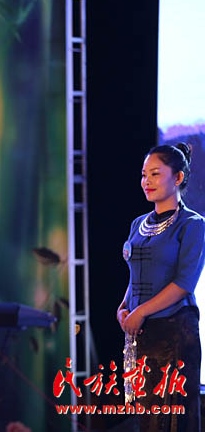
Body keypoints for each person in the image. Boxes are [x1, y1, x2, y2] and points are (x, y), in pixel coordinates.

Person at [117, 143, 205, 431]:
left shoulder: (192, 224)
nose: (147, 181)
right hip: (142, 334)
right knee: (148, 418)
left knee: (174, 419)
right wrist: (124, 307)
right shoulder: (137, 224)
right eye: (144, 175)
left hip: (175, 334)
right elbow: (136, 273)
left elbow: (184, 283)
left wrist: (140, 311)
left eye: (155, 174)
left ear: (177, 177)